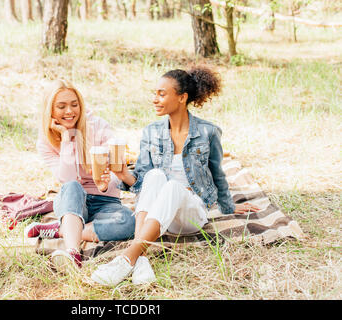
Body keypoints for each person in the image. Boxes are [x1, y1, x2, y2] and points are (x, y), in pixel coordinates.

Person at [91, 66, 261, 286]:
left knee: (173, 188)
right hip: (160, 217)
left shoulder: (209, 132)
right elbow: (142, 181)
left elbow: (218, 174)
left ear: (182, 98)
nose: (155, 99)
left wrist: (228, 205)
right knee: (154, 175)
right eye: (155, 93)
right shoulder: (151, 132)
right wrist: (123, 174)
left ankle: (126, 258)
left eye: (162, 94)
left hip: (191, 215)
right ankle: (139, 260)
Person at [27, 79, 135, 271]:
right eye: (61, 106)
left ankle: (64, 231)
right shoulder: (46, 140)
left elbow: (114, 171)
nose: (69, 111)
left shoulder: (99, 126)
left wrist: (106, 181)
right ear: (50, 110)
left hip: (106, 202)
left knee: (129, 222)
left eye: (74, 105)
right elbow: (68, 180)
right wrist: (67, 138)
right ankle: (73, 253)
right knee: (72, 186)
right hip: (72, 202)